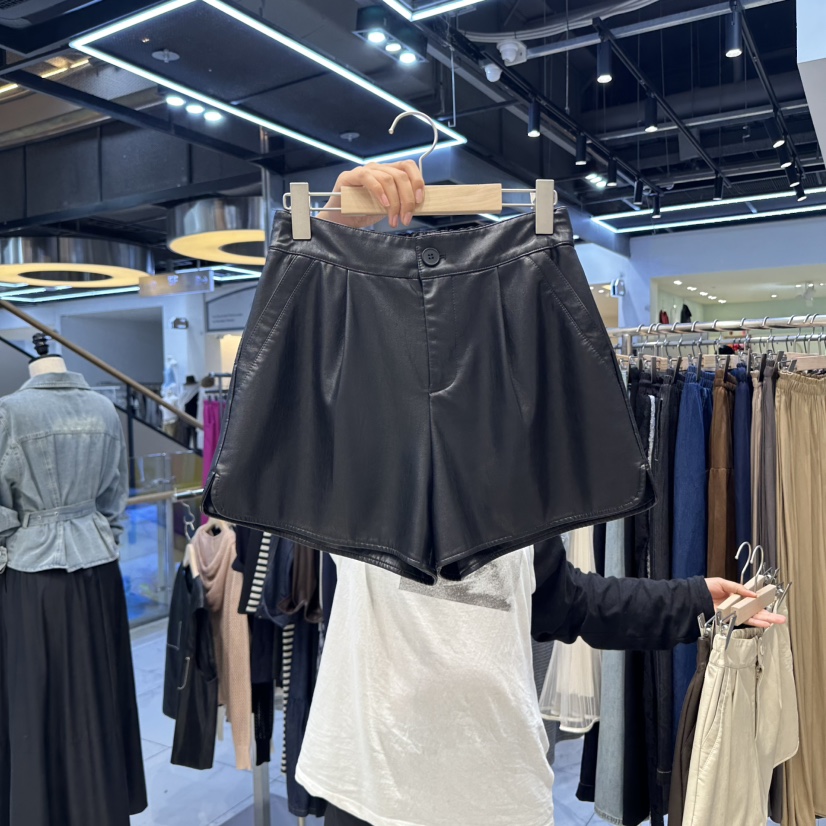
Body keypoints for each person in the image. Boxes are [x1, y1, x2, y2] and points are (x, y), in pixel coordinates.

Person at [293, 161, 786, 826]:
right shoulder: (353, 453)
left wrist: (698, 599)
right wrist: (328, 233)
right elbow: (284, 389)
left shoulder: (519, 474)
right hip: (368, 793)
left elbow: (567, 602)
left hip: (499, 792)